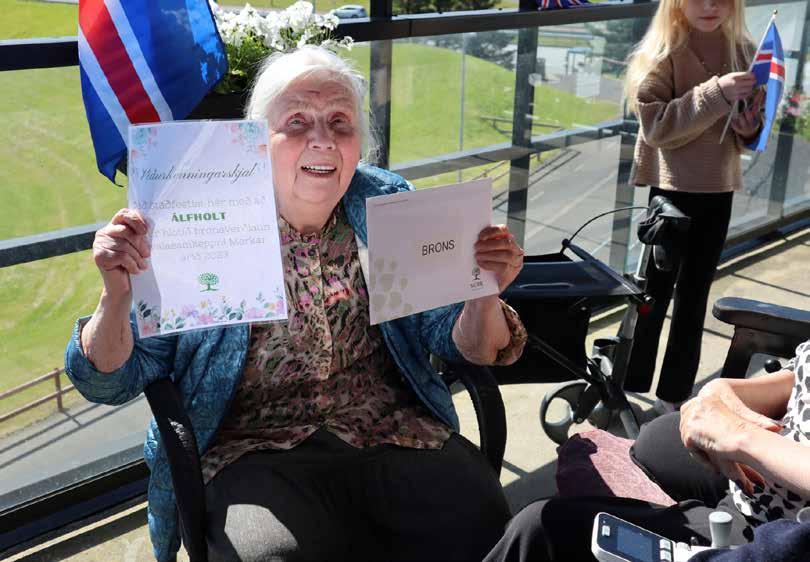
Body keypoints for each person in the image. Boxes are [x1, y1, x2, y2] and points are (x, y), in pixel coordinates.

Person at [65, 46, 528, 562]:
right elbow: (109, 379)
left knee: (481, 518)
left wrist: (482, 293)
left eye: (340, 122)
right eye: (297, 122)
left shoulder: (385, 201)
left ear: (359, 143)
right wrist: (116, 295)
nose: (322, 139)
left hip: (389, 428)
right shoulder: (199, 219)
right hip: (251, 448)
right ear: (257, 141)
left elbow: (469, 345)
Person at [484, 338, 810, 561]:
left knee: (541, 529)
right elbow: (799, 376)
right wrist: (722, 391)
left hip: (783, 529)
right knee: (655, 440)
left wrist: (740, 437)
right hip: (771, 470)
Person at [621, 0, 764, 413]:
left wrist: (748, 127)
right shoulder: (664, 51)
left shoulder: (745, 50)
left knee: (693, 298)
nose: (710, 5)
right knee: (652, 295)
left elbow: (752, 126)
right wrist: (718, 92)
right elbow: (656, 127)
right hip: (670, 193)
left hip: (718, 190)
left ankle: (673, 394)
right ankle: (630, 385)